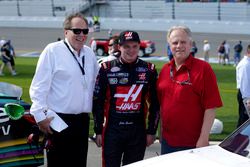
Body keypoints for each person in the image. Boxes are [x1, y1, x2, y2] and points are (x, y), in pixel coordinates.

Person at [29, 13, 99, 167]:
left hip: (82, 121)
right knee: (59, 164)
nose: (82, 35)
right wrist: (39, 116)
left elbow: (97, 83)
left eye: (85, 31)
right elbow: (39, 86)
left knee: (79, 163)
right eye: (77, 31)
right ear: (66, 32)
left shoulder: (89, 53)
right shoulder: (53, 50)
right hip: (58, 120)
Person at [93, 30, 160, 167]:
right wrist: (98, 130)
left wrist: (151, 131)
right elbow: (97, 101)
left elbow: (155, 103)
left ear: (139, 47)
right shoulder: (106, 68)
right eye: (126, 46)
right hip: (112, 131)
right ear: (119, 47)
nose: (131, 50)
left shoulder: (149, 70)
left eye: (134, 46)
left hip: (137, 131)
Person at [157, 26, 223, 155]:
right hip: (167, 142)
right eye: (175, 43)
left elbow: (210, 107)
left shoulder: (203, 69)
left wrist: (203, 138)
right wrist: (161, 131)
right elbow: (162, 105)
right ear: (169, 45)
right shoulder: (165, 70)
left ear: (190, 44)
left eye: (183, 42)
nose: (179, 46)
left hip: (193, 143)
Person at [236, 44, 250, 127]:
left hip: (246, 95)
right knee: (243, 122)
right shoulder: (245, 65)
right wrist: (247, 100)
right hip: (245, 96)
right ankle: (238, 140)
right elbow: (244, 83)